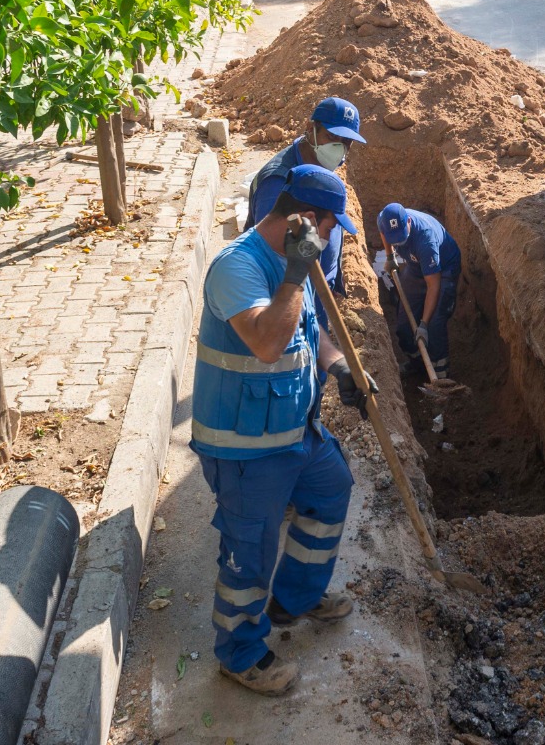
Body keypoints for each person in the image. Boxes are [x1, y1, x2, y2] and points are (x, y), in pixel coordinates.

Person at [193, 163, 373, 695]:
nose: (335, 236)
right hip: (246, 448)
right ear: (306, 220)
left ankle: (294, 598)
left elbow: (307, 332)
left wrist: (339, 366)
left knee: (332, 490)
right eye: (332, 226)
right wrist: (295, 274)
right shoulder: (238, 268)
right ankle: (241, 653)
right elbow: (269, 342)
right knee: (250, 551)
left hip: (296, 432)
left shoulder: (300, 266)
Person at [246, 97, 366, 299]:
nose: (340, 148)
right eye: (332, 137)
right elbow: (272, 259)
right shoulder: (279, 182)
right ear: (310, 128)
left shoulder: (323, 166)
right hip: (298, 298)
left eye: (347, 142)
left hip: (320, 294)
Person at [377, 202, 461, 379]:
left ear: (408, 221)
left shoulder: (425, 240)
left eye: (401, 236)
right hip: (416, 266)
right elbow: (383, 232)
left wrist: (423, 324)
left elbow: (433, 285)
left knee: (435, 323)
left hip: (444, 269)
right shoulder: (385, 220)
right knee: (404, 324)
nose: (399, 242)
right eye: (395, 239)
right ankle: (418, 364)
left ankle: (441, 375)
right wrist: (390, 256)